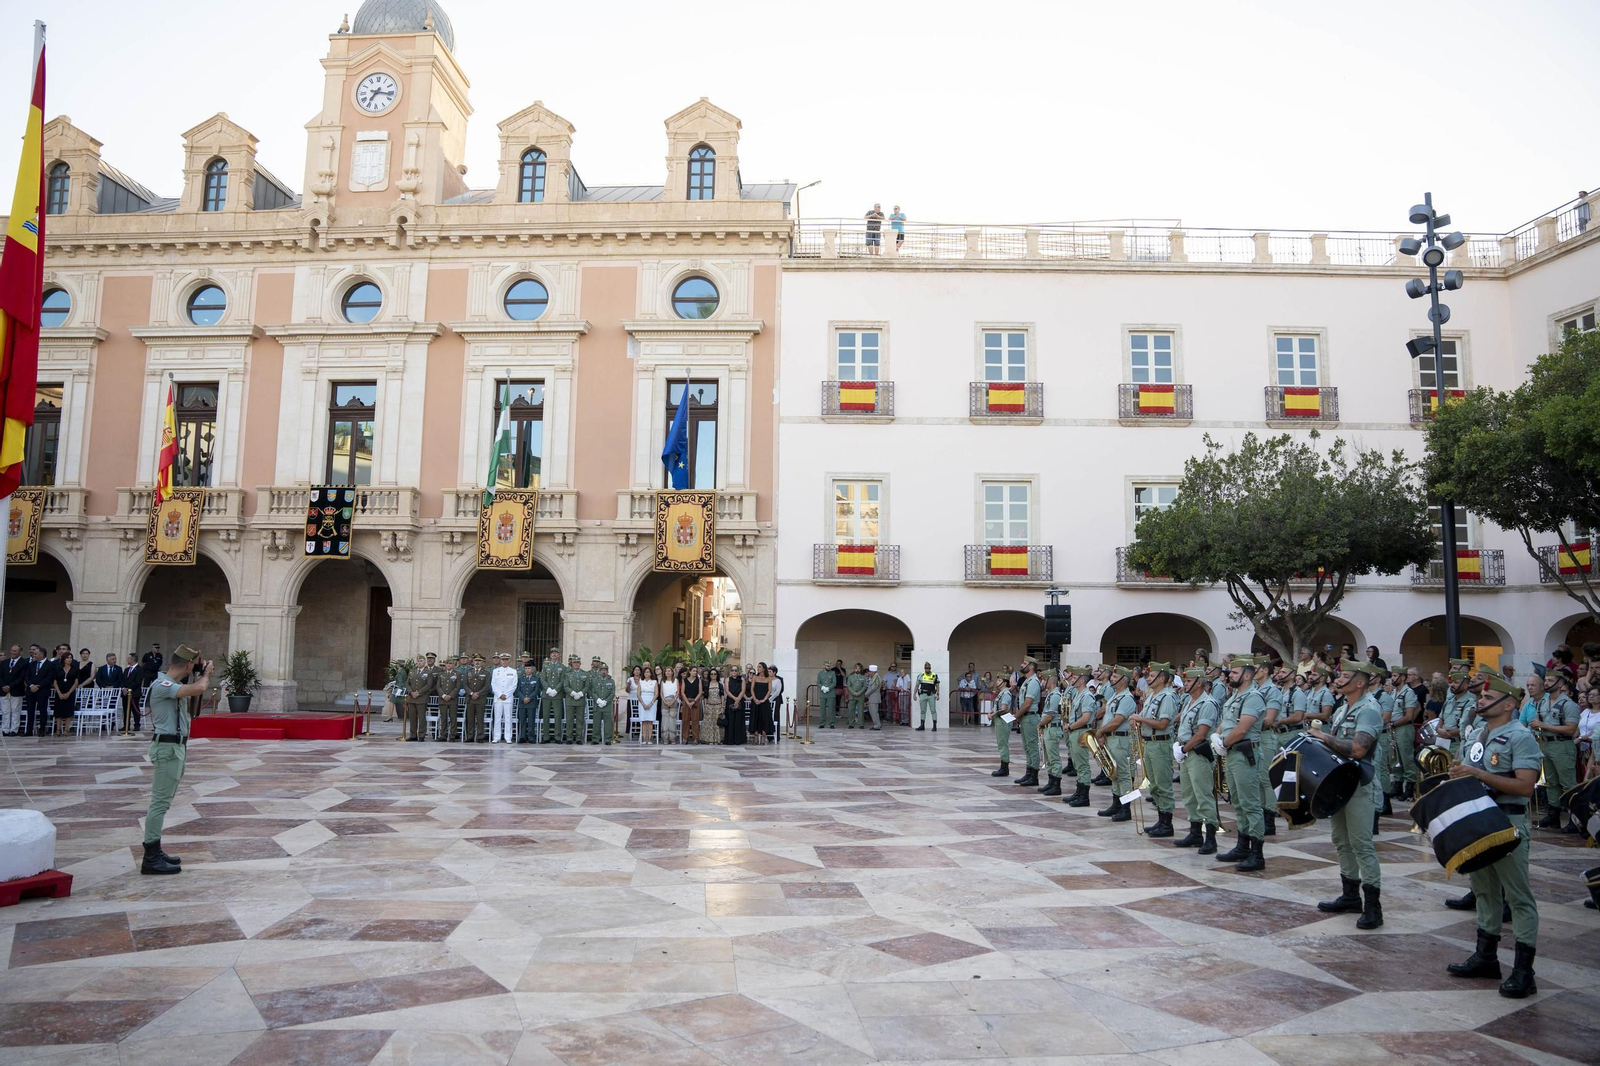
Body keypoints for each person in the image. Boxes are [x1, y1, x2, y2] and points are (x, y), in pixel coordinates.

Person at [1445, 672, 1542, 997]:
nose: (1480, 701)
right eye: (1481, 697)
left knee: (1517, 898)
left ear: (1509, 704)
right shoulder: (1479, 736)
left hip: (1508, 822)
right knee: (1484, 891)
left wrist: (1478, 773)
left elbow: (1526, 786)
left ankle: (1523, 972)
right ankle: (1486, 956)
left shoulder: (1520, 736)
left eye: (1487, 698)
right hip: (1478, 823)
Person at [1311, 659, 1385, 929]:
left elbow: (1358, 749)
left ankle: (1374, 906)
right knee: (1341, 841)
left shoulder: (1369, 710)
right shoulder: (1344, 708)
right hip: (1340, 781)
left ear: (1361, 682)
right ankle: (1350, 895)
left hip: (1359, 784)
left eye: (1345, 676)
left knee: (1362, 844)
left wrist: (1322, 737)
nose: (1339, 679)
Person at [139, 644, 212, 875]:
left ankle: (156, 850)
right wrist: (207, 673)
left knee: (164, 802)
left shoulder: (175, 685)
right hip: (167, 748)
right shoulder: (163, 685)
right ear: (188, 665)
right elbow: (200, 688)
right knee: (159, 804)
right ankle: (150, 856)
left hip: (175, 747)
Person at [1215, 655, 1267, 871]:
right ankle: (1242, 845)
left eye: (1234, 673)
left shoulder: (1252, 697)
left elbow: (1242, 728)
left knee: (1251, 804)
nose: (1230, 676)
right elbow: (1227, 723)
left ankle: (1257, 853)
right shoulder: (1236, 695)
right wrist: (1216, 737)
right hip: (1233, 753)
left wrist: (1223, 743)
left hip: (1245, 753)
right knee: (1238, 801)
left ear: (1247, 675)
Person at [1173, 665, 1222, 853]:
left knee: (1203, 794)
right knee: (1189, 794)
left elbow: (1201, 734)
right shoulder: (1189, 702)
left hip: (1197, 753)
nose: (1184, 684)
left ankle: (1210, 836)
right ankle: (1195, 832)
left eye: (1188, 681)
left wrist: (1184, 748)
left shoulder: (1207, 703)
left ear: (1199, 683)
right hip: (1186, 752)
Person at [1130, 662, 1178, 837]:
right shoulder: (1152, 696)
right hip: (1149, 743)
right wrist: (1138, 719)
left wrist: (1140, 719)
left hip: (1160, 743)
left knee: (1163, 784)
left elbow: (1163, 723)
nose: (1148, 678)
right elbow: (1145, 716)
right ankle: (1160, 819)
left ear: (1162, 678)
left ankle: (1167, 823)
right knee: (1154, 784)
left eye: (1152, 676)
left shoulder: (1167, 697)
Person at [1531, 670, 1581, 832]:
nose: (1546, 683)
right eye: (1545, 680)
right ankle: (1554, 815)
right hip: (1546, 744)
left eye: (1550, 680)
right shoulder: (1542, 703)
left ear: (1560, 683)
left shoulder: (1569, 704)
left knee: (1568, 783)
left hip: (1562, 745)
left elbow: (1570, 729)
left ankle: (1576, 819)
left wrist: (1544, 725)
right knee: (1550, 781)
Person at [1095, 666, 1137, 821]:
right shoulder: (1115, 696)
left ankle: (1125, 809)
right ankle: (1116, 804)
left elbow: (1117, 721)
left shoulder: (1126, 698)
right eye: (1112, 676)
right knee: (1113, 772)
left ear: (1124, 679)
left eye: (1115, 676)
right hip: (1111, 737)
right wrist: (1104, 734)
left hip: (1120, 738)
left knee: (1123, 774)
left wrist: (1101, 731)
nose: (1112, 679)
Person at [1064, 667, 1098, 807]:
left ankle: (1084, 796)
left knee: (1082, 764)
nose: (1071, 679)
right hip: (1074, 731)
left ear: (1082, 680)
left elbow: (1085, 718)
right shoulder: (1079, 694)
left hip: (1080, 731)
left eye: (1074, 677)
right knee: (1078, 764)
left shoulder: (1087, 696)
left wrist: (1071, 726)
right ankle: (1079, 791)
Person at [1037, 670, 1064, 796]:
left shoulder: (1055, 695)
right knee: (1048, 758)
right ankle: (1051, 781)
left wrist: (1040, 724)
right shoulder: (1050, 694)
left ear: (1051, 681)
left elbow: (1051, 715)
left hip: (1052, 728)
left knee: (1054, 758)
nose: (1042, 682)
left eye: (1044, 679)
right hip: (1048, 728)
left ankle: (1056, 784)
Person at [403, 652, 438, 742]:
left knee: (422, 718)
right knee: (412, 717)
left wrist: (418, 693)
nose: (419, 663)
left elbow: (428, 685)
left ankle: (421, 735)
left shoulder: (428, 672)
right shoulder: (412, 671)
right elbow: (407, 683)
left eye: (421, 661)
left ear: (425, 662)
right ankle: (413, 735)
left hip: (421, 698)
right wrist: (411, 692)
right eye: (418, 661)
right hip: (412, 698)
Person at [488, 652, 517, 743]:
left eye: (506, 660)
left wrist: (506, 695)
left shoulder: (513, 671)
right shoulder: (495, 671)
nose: (504, 661)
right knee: (497, 718)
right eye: (503, 660)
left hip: (508, 698)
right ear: (500, 661)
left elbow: (514, 685)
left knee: (508, 718)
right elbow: (493, 684)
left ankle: (508, 737)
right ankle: (496, 737)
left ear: (509, 660)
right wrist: (500, 694)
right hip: (498, 698)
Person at [51, 650, 80, 737]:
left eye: (71, 658)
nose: (69, 659)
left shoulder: (75, 669)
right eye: (67, 657)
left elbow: (76, 682)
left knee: (68, 712)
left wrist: (69, 692)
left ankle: (66, 730)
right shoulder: (58, 668)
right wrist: (59, 693)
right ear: (63, 659)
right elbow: (55, 681)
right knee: (59, 712)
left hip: (70, 692)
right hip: (59, 691)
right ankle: (58, 730)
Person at [990, 676, 1015, 777]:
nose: (997, 682)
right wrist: (991, 712)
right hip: (999, 720)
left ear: (1005, 683)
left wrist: (993, 714)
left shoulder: (1006, 694)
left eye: (1000, 680)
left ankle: (1004, 768)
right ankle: (1003, 766)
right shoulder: (1002, 693)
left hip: (1003, 720)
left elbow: (1003, 709)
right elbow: (997, 706)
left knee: (1003, 744)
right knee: (1001, 743)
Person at [588, 657, 617, 745]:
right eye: (602, 670)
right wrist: (598, 700)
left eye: (605, 670)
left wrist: (606, 701)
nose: (603, 672)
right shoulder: (594, 681)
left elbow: (612, 693)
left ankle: (608, 739)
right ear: (599, 671)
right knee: (596, 723)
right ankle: (595, 739)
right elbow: (592, 692)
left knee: (608, 723)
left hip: (607, 706)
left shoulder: (611, 681)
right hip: (597, 705)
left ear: (607, 671)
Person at [516, 658, 541, 744]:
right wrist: (523, 698)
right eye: (526, 668)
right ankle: (522, 737)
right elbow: (518, 690)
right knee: (522, 721)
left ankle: (531, 737)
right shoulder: (520, 678)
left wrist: (529, 698)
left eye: (529, 668)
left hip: (532, 703)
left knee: (531, 721)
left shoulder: (536, 679)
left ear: (532, 669)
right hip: (522, 703)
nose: (527, 670)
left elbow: (536, 690)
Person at [0, 645, 24, 736]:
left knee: (15, 710)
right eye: (11, 650)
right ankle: (5, 729)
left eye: (15, 651)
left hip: (16, 690)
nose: (12, 653)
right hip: (3, 690)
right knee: (5, 711)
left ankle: (14, 729)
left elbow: (21, 677)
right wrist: (3, 686)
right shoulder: (5, 662)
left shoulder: (23, 662)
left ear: (20, 652)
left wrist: (10, 686)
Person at [751, 663, 773, 744]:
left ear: (764, 668)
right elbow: (752, 689)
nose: (758, 668)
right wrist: (755, 699)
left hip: (764, 702)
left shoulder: (768, 678)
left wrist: (764, 699)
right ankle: (756, 736)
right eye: (757, 667)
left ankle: (764, 736)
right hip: (755, 701)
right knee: (755, 717)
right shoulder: (755, 677)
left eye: (759, 667)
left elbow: (769, 690)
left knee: (764, 718)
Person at [681, 666, 703, 744]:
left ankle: (695, 737)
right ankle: (685, 737)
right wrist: (687, 702)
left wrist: (694, 701)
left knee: (695, 719)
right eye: (693, 671)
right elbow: (682, 692)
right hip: (686, 701)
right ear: (689, 672)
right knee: (685, 719)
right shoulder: (685, 680)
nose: (695, 672)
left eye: (696, 671)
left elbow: (700, 692)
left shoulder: (699, 680)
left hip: (695, 701)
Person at [916, 661, 940, 731]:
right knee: (923, 710)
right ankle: (922, 725)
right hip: (923, 694)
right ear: (924, 668)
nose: (927, 669)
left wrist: (938, 694)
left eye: (929, 668)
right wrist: (914, 694)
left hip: (931, 695)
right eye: (926, 668)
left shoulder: (934, 675)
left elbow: (937, 686)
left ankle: (934, 726)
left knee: (933, 710)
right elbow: (917, 685)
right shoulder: (921, 675)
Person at [702, 668, 724, 744]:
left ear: (717, 675)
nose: (713, 675)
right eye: (712, 674)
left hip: (718, 706)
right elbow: (705, 696)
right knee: (709, 723)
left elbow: (722, 696)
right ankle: (710, 740)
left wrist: (722, 707)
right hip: (709, 706)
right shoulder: (706, 684)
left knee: (718, 723)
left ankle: (718, 740)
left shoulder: (720, 685)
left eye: (715, 674)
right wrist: (705, 706)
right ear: (709, 675)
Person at [638, 666, 659, 743]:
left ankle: (649, 738)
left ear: (650, 673)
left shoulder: (654, 682)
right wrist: (643, 703)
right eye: (645, 672)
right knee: (644, 721)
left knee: (650, 721)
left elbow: (656, 694)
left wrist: (651, 703)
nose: (647, 673)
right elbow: (638, 694)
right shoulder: (641, 681)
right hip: (642, 701)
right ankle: (644, 738)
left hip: (652, 701)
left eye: (648, 672)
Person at [816, 661, 837, 729]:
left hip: (830, 693)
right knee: (822, 709)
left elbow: (834, 682)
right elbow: (818, 682)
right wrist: (822, 687)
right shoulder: (820, 673)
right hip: (823, 693)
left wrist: (828, 688)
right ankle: (822, 723)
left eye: (829, 666)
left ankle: (832, 723)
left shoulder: (832, 673)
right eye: (827, 666)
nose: (828, 667)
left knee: (831, 709)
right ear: (824, 666)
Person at [864, 664, 883, 731]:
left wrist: (866, 694)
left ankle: (877, 725)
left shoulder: (876, 678)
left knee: (874, 712)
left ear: (873, 672)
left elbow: (873, 688)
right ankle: (877, 724)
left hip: (874, 697)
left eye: (870, 671)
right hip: (873, 697)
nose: (869, 673)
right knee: (873, 711)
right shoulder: (874, 678)